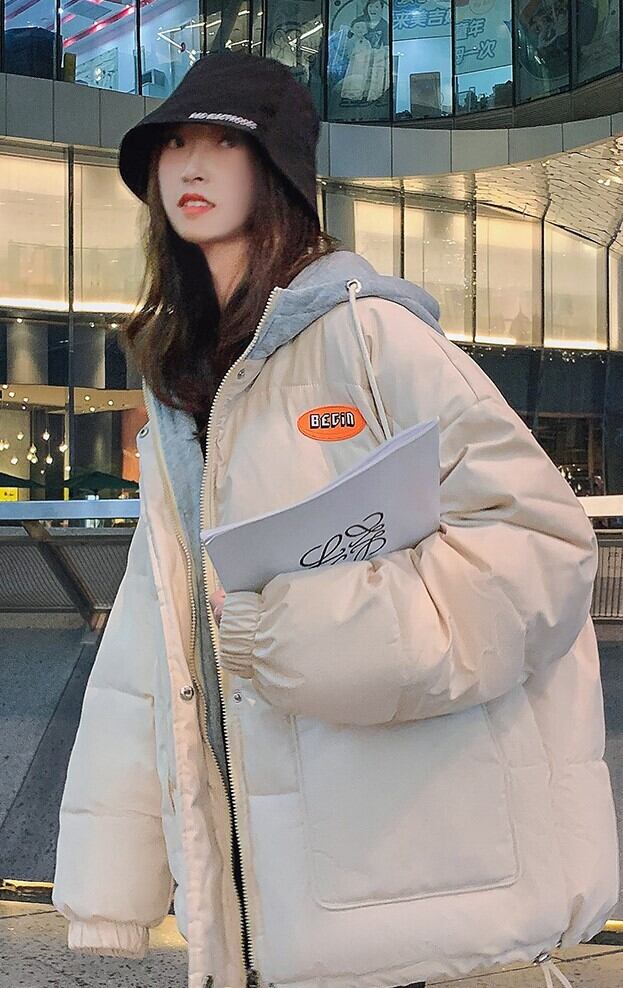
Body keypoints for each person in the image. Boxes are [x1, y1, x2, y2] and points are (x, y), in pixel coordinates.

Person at [52, 51, 618, 988]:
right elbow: (156, 648)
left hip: (406, 871)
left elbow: (539, 542)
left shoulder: (369, 334)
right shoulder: (185, 383)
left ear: (275, 168)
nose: (190, 166)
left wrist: (298, 635)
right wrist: (109, 888)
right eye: (172, 146)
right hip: (275, 889)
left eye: (221, 143)